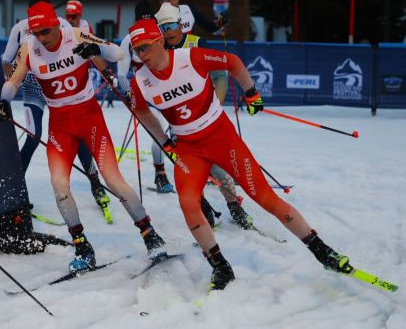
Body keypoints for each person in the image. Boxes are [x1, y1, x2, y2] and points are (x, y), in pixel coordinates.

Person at [126, 19, 353, 291]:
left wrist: (251, 92)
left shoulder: (191, 57)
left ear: (160, 41)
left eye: (145, 47)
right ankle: (221, 267)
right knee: (188, 203)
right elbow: (140, 111)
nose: (142, 55)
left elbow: (232, 62)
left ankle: (321, 250)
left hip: (221, 138)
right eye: (137, 50)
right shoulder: (141, 81)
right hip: (188, 148)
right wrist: (165, 143)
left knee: (264, 197)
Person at [0, 1, 167, 272]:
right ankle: (82, 245)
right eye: (35, 32)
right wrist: (4, 101)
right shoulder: (30, 48)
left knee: (113, 180)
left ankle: (150, 233)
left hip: (89, 119)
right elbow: (12, 82)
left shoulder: (73, 35)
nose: (41, 37)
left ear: (55, 23)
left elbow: (118, 54)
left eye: (44, 31)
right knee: (59, 185)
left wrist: (95, 48)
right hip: (60, 127)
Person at [154, 3, 253, 230]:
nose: (168, 31)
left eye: (171, 26)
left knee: (220, 168)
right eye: (163, 27)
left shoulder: (197, 43)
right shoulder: (160, 51)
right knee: (188, 171)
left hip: (207, 119)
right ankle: (205, 210)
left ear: (180, 25)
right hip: (181, 123)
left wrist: (215, 104)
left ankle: (235, 208)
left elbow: (220, 75)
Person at [2, 8, 109, 212]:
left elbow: (77, 51)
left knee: (76, 135)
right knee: (33, 137)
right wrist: (12, 80)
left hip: (57, 88)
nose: (38, 34)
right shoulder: (19, 28)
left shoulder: (61, 24)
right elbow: (6, 61)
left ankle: (95, 183)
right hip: (33, 87)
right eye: (33, 28)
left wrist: (103, 70)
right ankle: (15, 191)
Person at [117, 0, 176, 194]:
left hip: (168, 90)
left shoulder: (161, 35)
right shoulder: (128, 41)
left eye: (149, 20)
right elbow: (121, 76)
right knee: (159, 132)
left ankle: (194, 167)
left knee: (179, 132)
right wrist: (129, 95)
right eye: (142, 20)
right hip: (145, 93)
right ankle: (160, 175)